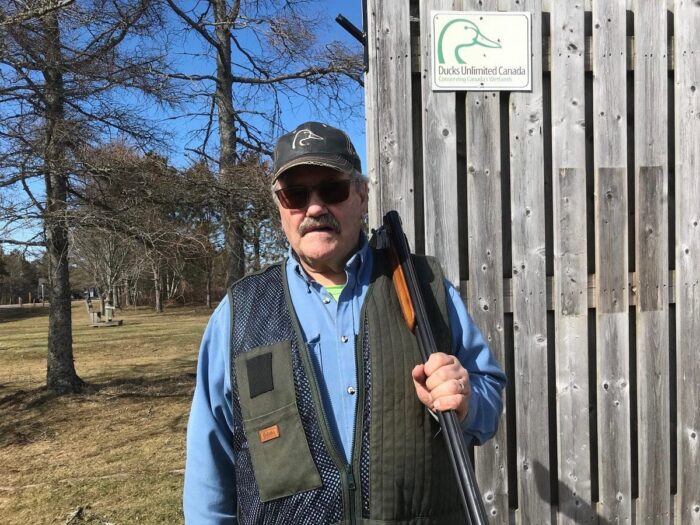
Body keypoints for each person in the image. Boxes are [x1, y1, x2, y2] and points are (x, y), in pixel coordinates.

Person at [183, 121, 506, 524]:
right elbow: (209, 468)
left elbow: (489, 399)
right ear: (280, 207)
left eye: (332, 189)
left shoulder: (425, 288)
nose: (314, 208)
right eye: (295, 195)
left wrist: (468, 399)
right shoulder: (239, 312)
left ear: (361, 195)